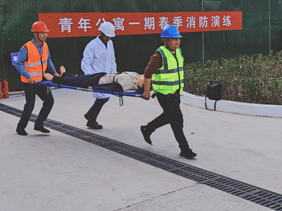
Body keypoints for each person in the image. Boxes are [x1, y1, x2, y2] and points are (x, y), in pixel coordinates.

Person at [140, 25, 196, 159]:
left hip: (175, 92)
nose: (177, 41)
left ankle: (147, 129)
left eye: (178, 39)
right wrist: (146, 92)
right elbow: (147, 73)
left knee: (169, 116)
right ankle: (185, 149)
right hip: (164, 94)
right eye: (174, 39)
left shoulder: (178, 51)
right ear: (165, 40)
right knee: (177, 119)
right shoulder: (158, 55)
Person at [15, 21, 60, 136]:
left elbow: (48, 60)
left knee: (49, 101)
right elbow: (18, 64)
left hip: (41, 80)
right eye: (42, 33)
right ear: (35, 34)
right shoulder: (26, 47)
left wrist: (55, 73)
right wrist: (28, 77)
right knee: (30, 106)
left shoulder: (45, 46)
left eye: (46, 33)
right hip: (29, 82)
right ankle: (20, 127)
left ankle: (39, 124)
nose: (45, 35)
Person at [81, 21, 117, 129]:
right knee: (103, 97)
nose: (109, 38)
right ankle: (90, 115)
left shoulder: (110, 43)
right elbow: (85, 62)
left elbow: (112, 59)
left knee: (105, 96)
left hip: (107, 76)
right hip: (96, 76)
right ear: (102, 33)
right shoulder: (92, 45)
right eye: (107, 36)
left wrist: (114, 72)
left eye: (110, 36)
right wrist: (89, 78)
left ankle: (91, 119)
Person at [45, 66, 144, 93]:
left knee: (77, 82)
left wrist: (95, 87)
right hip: (102, 75)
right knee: (79, 78)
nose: (144, 76)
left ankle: (55, 79)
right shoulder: (136, 76)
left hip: (98, 82)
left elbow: (111, 88)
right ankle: (65, 75)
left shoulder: (128, 85)